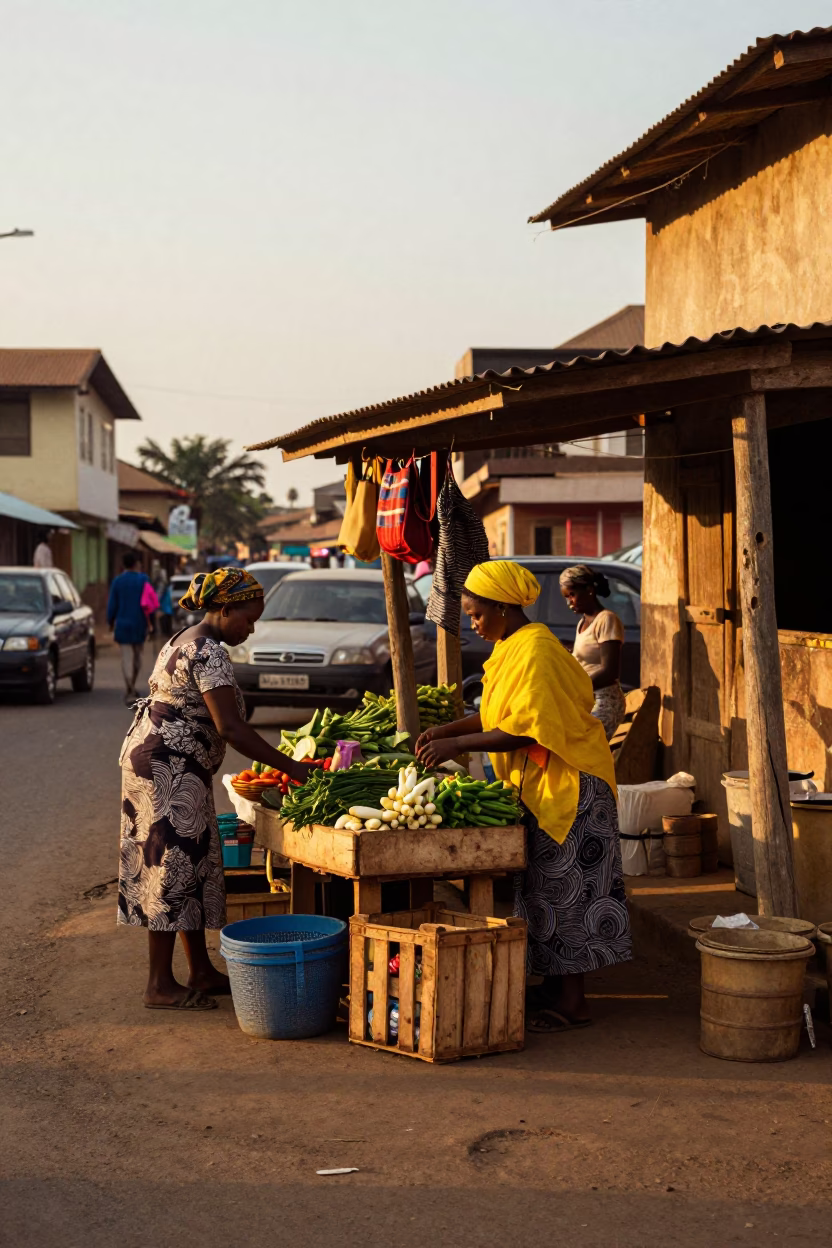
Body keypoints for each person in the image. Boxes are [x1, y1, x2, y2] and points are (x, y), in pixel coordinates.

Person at [416, 560, 631, 1033]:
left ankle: (573, 1002)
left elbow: (523, 729)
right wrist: (445, 729)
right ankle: (555, 986)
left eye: (475, 614)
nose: (473, 624)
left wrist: (456, 745)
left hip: (571, 783)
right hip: (541, 783)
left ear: (501, 606)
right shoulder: (512, 648)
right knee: (540, 889)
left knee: (566, 889)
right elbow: (496, 714)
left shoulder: (535, 651)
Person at [117, 568, 318, 1012]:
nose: (251, 629)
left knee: (193, 866)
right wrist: (293, 768)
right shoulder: (208, 651)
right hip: (168, 769)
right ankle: (158, 985)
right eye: (248, 619)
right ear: (225, 610)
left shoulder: (183, 637)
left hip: (171, 764)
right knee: (170, 871)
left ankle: (201, 971)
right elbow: (233, 729)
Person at [559, 564, 626, 741]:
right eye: (566, 597)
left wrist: (577, 687)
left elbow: (609, 671)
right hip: (587, 700)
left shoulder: (606, 620)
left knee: (584, 751)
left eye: (572, 595)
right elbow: (588, 658)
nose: (569, 602)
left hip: (604, 702)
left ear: (589, 590)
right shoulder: (583, 623)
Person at [107, 552, 151, 705]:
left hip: (123, 625)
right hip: (139, 624)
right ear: (136, 564)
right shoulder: (144, 580)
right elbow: (150, 602)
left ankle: (130, 688)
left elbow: (112, 605)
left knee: (127, 657)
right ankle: (131, 686)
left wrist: (110, 622)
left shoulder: (117, 581)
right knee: (138, 656)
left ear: (124, 565)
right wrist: (151, 623)